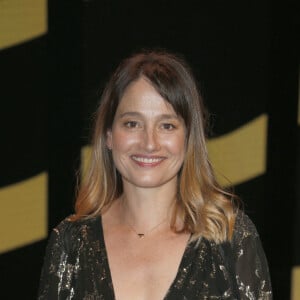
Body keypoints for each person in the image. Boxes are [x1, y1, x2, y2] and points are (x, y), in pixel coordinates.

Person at [38, 50, 272, 299]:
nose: (149, 143)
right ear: (108, 135)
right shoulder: (71, 244)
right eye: (132, 123)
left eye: (167, 125)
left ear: (188, 138)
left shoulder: (231, 238)